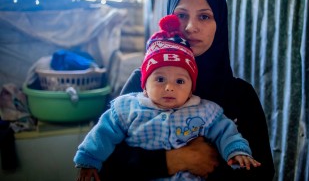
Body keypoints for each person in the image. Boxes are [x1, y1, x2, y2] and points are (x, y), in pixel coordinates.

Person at [99, 0, 275, 180]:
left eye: (204, 17)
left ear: (220, 24)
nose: (191, 27)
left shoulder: (240, 95)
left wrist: (210, 161)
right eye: (181, 15)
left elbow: (262, 173)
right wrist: (175, 159)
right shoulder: (143, 82)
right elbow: (105, 163)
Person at [74, 15, 261, 181]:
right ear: (145, 85)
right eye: (160, 79)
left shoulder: (206, 110)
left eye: (180, 81)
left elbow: (225, 131)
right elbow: (103, 134)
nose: (169, 87)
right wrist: (89, 160)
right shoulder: (127, 108)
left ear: (191, 89)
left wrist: (236, 150)